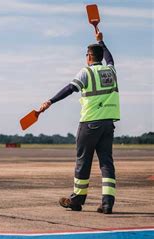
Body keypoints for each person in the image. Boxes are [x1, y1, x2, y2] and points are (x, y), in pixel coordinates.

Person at [38, 31, 120, 214]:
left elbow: (70, 88)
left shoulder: (86, 73)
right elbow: (110, 59)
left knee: (83, 162)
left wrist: (50, 101)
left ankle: (76, 200)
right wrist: (102, 41)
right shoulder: (111, 71)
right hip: (108, 124)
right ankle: (107, 203)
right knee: (106, 163)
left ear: (89, 56)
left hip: (90, 123)